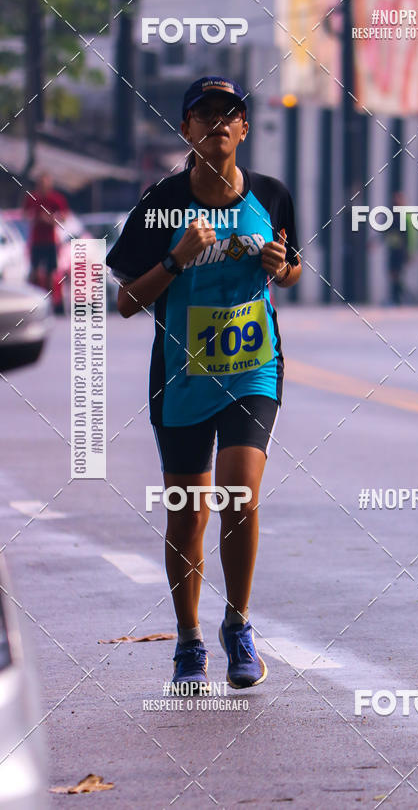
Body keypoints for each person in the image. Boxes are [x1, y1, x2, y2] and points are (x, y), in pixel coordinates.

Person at [106, 76, 302, 689]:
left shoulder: (270, 194)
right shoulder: (160, 203)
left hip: (252, 371)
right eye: (204, 113)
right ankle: (189, 642)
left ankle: (238, 626)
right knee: (188, 514)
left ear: (244, 128)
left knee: (240, 496)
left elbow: (292, 270)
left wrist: (282, 266)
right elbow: (126, 302)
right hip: (182, 380)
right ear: (187, 129)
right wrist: (174, 259)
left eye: (230, 113)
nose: (218, 122)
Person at [24, 172, 68, 306]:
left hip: (50, 241)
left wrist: (50, 219)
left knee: (50, 273)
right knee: (34, 271)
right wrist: (35, 218)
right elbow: (26, 215)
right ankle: (32, 300)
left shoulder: (56, 199)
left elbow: (64, 217)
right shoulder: (32, 198)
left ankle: (49, 301)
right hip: (36, 240)